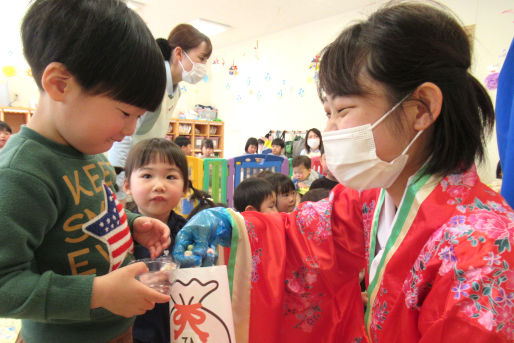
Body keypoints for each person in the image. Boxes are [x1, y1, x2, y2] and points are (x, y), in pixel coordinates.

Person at [172, 2, 514, 343]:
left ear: (421, 109)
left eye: (343, 110)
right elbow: (300, 238)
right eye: (327, 112)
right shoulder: (373, 197)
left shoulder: (484, 249)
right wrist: (231, 226)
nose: (329, 129)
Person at [0, 1, 173, 342]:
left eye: (138, 117)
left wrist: (134, 224)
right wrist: (97, 293)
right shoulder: (22, 174)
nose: (130, 129)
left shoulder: (91, 153)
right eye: (125, 113)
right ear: (60, 84)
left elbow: (102, 210)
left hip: (119, 328)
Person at [108, 24, 212, 201]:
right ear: (179, 53)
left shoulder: (175, 90)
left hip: (141, 169)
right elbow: (122, 137)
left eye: (205, 61)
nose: (203, 66)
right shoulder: (152, 80)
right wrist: (119, 189)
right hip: (125, 172)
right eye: (201, 58)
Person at [122, 138, 187, 343]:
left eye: (170, 176)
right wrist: (136, 282)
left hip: (178, 329)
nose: (159, 186)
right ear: (127, 185)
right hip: (133, 333)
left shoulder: (188, 232)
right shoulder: (119, 232)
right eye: (147, 175)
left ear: (185, 188)